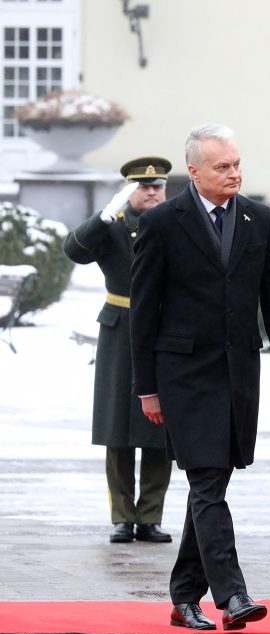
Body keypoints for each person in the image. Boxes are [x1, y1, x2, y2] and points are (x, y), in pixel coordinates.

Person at [130, 124, 270, 632]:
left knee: (210, 484)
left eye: (236, 164)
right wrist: (147, 388)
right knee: (206, 482)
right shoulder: (163, 222)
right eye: (222, 167)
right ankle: (233, 595)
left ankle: (184, 596)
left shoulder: (258, 218)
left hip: (238, 374)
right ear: (194, 172)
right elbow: (144, 312)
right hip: (182, 375)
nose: (234, 173)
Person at [63, 156, 174, 545]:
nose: (151, 192)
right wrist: (105, 215)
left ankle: (150, 516)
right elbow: (74, 249)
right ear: (128, 191)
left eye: (157, 187)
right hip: (120, 329)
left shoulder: (176, 223)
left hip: (163, 331)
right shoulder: (112, 227)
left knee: (161, 429)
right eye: (142, 187)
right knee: (118, 428)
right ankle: (122, 517)